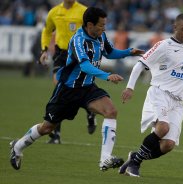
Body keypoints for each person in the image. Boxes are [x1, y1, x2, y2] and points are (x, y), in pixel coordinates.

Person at [9, 7, 144, 171]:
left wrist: (129, 52)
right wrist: (106, 76)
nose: (104, 28)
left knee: (111, 111)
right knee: (47, 127)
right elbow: (85, 65)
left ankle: (105, 159)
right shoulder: (78, 40)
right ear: (89, 24)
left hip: (87, 88)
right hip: (68, 91)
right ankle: (17, 147)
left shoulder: (100, 36)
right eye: (101, 25)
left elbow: (109, 52)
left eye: (105, 25)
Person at [119, 13, 183, 177]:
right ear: (175, 28)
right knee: (163, 127)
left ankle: (135, 157)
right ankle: (135, 165)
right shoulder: (163, 45)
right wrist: (130, 88)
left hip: (178, 101)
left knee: (168, 145)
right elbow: (139, 65)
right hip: (160, 93)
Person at [39, 0, 91, 144]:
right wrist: (44, 50)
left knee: (81, 89)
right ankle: (56, 134)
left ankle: (90, 111)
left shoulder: (83, 11)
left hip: (79, 54)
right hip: (61, 54)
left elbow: (93, 33)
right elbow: (47, 31)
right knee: (60, 88)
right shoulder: (54, 12)